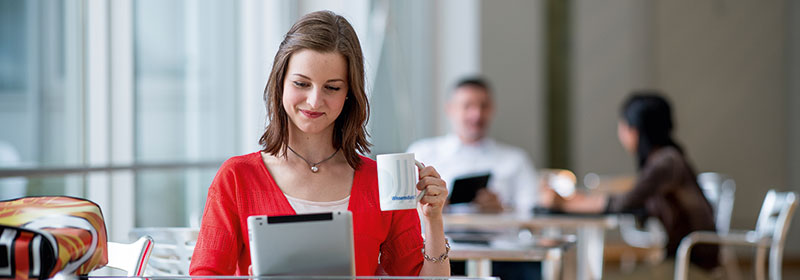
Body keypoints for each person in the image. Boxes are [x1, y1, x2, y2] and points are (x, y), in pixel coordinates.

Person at [189, 11, 450, 277]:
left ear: (349, 93)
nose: (314, 101)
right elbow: (204, 274)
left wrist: (433, 220)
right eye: (302, 83)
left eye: (332, 88)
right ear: (280, 84)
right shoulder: (237, 178)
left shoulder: (381, 184)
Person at [540, 92, 719, 276]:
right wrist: (576, 201)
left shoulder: (665, 162)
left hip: (692, 267)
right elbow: (633, 196)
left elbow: (625, 202)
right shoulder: (667, 158)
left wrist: (564, 203)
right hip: (685, 260)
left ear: (634, 131)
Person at [407, 77, 538, 215]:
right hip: (439, 234)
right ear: (450, 109)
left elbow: (532, 211)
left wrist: (502, 209)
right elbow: (402, 209)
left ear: (492, 109)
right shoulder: (421, 153)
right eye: (467, 106)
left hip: (498, 235)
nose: (477, 114)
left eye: (484, 106)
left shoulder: (515, 160)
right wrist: (429, 205)